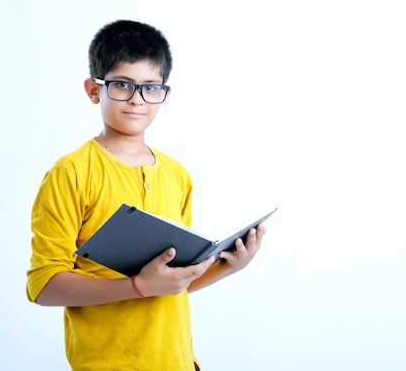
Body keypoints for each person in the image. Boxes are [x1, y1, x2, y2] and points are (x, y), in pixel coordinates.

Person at [26, 19, 268, 371]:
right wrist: (137, 286)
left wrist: (229, 267)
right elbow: (43, 286)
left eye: (151, 87)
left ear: (164, 93)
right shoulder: (71, 173)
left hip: (178, 362)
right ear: (94, 90)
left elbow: (172, 283)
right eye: (123, 84)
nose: (138, 100)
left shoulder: (176, 174)